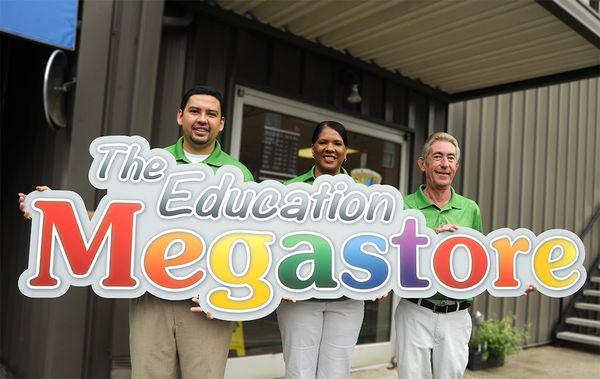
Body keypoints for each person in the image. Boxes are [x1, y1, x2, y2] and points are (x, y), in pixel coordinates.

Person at [19, 85, 253, 379]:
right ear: (180, 117)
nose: (202, 119)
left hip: (204, 301)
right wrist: (53, 209)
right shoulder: (149, 166)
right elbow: (115, 218)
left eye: (211, 113)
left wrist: (228, 296)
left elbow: (249, 242)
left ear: (222, 123)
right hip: (151, 296)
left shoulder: (238, 174)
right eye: (195, 111)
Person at [395, 132, 533, 379]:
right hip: (415, 310)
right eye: (437, 157)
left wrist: (515, 279)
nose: (444, 164)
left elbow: (480, 261)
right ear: (423, 163)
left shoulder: (471, 209)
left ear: (456, 167)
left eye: (450, 158)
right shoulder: (404, 206)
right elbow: (392, 257)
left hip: (456, 314)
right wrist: (429, 240)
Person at [276, 121, 365, 379]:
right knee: (299, 371)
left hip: (347, 301)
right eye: (323, 142)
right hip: (299, 298)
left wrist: (382, 279)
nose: (330, 148)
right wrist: (278, 280)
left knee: (336, 372)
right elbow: (272, 240)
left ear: (346, 152)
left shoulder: (366, 196)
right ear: (312, 148)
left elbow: (383, 241)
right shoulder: (289, 191)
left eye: (337, 143)